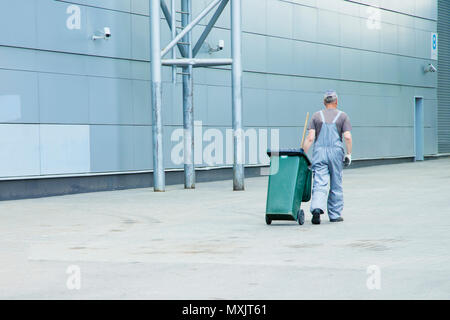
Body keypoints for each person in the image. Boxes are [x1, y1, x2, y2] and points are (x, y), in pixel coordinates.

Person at [302, 90, 352, 224]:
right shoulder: (343, 116)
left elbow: (310, 137)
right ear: (336, 102)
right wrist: (348, 154)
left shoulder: (316, 116)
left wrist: (302, 153)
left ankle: (317, 208)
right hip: (336, 153)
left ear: (324, 102)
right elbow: (347, 136)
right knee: (336, 183)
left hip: (319, 152)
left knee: (319, 181)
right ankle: (335, 215)